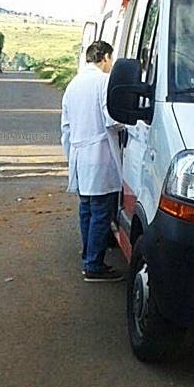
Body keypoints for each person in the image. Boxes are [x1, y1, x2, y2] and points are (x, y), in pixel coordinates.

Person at [60, 41, 124, 282]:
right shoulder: (103, 81)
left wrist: (71, 155)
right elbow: (112, 119)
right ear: (106, 57)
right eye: (110, 59)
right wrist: (131, 123)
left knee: (86, 208)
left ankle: (88, 253)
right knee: (100, 211)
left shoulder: (73, 85)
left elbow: (65, 128)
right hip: (99, 156)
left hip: (79, 156)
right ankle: (93, 265)